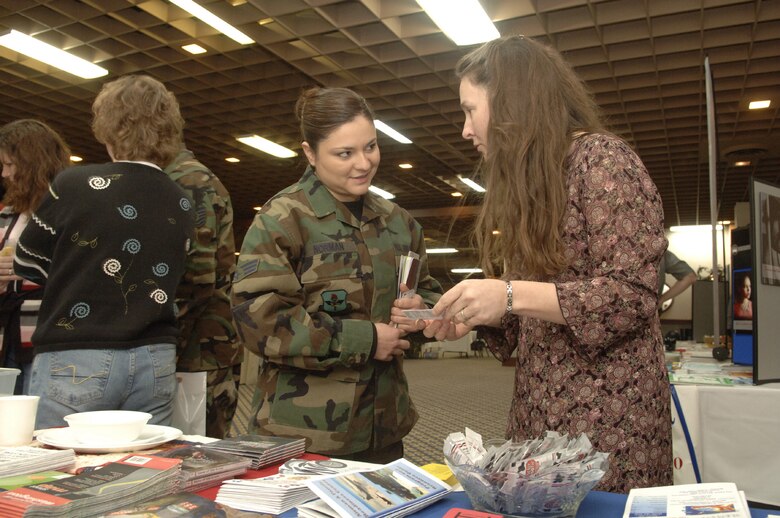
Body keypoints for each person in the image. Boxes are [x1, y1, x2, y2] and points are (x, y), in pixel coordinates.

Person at [408, 36, 672, 492]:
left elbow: (634, 294)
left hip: (608, 420)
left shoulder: (603, 161)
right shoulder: (531, 185)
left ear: (511, 101)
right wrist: (471, 318)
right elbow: (527, 315)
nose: (465, 130)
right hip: (540, 411)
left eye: (470, 110)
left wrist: (508, 294)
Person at [231, 86, 442, 463]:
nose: (363, 163)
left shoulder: (399, 223)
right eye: (344, 153)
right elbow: (259, 321)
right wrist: (365, 339)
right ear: (310, 153)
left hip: (384, 427)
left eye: (371, 146)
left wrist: (420, 314)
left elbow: (429, 296)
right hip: (305, 436)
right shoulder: (282, 220)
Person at [14, 75, 195, 429]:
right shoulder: (182, 199)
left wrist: (79, 272)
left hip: (78, 354)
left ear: (108, 128)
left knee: (60, 472)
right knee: (143, 471)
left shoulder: (73, 184)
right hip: (155, 358)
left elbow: (26, 262)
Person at [164, 146, 241, 438]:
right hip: (202, 349)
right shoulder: (180, 175)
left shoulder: (187, 179)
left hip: (198, 352)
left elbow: (196, 278)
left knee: (196, 458)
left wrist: (164, 349)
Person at [0, 119, 71, 393]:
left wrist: (31, 268)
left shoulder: (67, 213)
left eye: (10, 164)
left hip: (48, 342)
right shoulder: (7, 215)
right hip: (7, 337)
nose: (5, 173)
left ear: (33, 163)